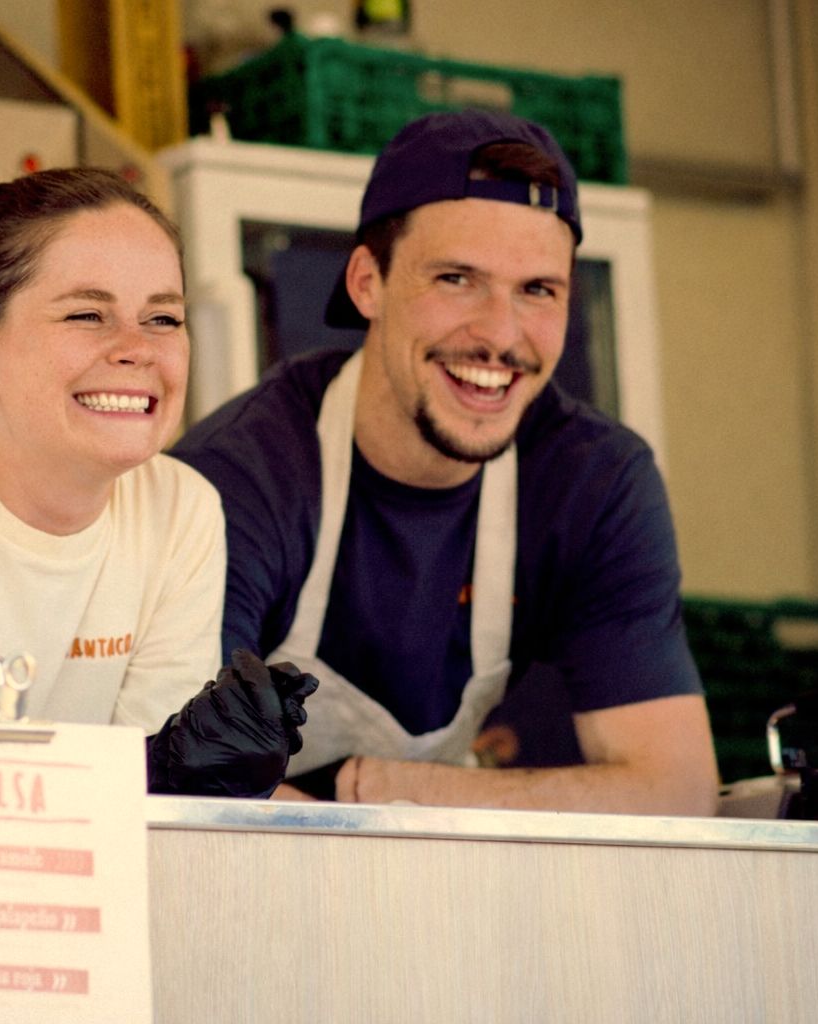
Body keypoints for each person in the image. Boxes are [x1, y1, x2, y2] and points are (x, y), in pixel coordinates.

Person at [171, 111, 719, 815]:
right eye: (457, 278)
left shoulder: (593, 483)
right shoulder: (240, 479)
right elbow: (187, 782)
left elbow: (675, 790)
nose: (499, 334)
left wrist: (381, 787)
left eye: (537, 290)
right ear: (368, 282)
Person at [0, 167, 314, 793]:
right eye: (87, 314)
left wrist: (185, 773)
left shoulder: (180, 511)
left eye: (162, 319)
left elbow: (146, 821)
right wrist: (135, 777)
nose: (136, 349)